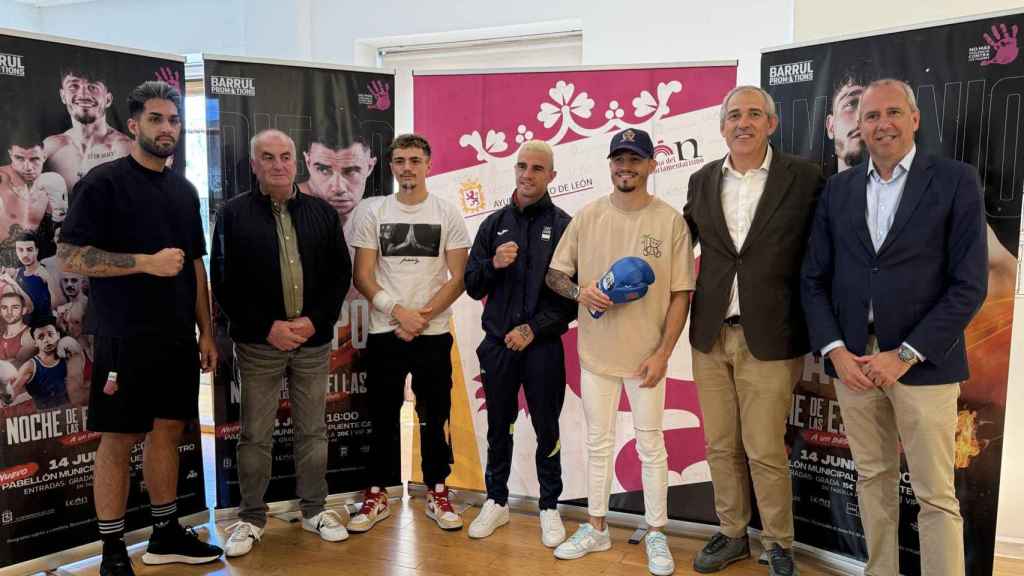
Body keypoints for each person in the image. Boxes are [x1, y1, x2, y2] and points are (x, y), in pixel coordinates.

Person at [802, 79, 988, 576]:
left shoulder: (955, 180)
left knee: (935, 495)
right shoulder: (838, 190)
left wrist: (903, 354)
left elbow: (968, 286)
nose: (882, 124)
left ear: (914, 118)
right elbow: (814, 279)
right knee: (873, 479)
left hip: (924, 366)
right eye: (871, 116)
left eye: (893, 113)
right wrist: (837, 353)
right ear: (858, 127)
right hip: (854, 365)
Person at [58, 80, 222, 576]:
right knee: (119, 437)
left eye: (173, 120)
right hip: (123, 336)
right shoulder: (102, 183)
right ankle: (111, 550)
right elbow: (71, 255)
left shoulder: (183, 189)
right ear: (133, 125)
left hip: (175, 337)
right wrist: (143, 263)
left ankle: (165, 533)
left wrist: (206, 332)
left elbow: (195, 265)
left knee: (168, 431)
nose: (166, 127)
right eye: (156, 118)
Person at [683, 85, 823, 575]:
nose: (743, 122)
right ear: (721, 126)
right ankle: (732, 533)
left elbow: (822, 255)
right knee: (720, 445)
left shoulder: (805, 178)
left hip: (772, 336)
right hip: (710, 336)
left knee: (764, 448)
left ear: (772, 123)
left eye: (754, 114)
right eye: (734, 115)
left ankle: (779, 543)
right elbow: (683, 251)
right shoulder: (701, 181)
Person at [545, 128, 694, 576]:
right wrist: (580, 292)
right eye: (619, 159)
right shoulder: (588, 216)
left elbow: (681, 293)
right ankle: (596, 527)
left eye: (635, 159)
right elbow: (555, 276)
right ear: (610, 164)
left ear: (652, 165)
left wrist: (664, 353)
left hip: (647, 357)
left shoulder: (669, 221)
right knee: (597, 444)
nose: (625, 167)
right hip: (597, 356)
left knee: (652, 446)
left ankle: (656, 533)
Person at [211, 129, 351, 557]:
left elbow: (338, 275)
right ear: (253, 164)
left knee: (313, 430)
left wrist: (314, 321)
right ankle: (251, 517)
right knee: (255, 435)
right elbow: (223, 282)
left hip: (311, 342)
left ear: (297, 162)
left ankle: (314, 510)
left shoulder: (322, 214)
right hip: (258, 343)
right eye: (267, 157)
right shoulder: (232, 215)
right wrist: (266, 326)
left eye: (285, 156)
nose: (277, 164)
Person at [348, 133, 470, 533]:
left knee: (435, 415)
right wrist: (398, 313)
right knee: (381, 415)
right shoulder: (375, 213)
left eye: (415, 160)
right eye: (400, 161)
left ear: (429, 165)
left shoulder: (447, 213)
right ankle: (378, 492)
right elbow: (362, 275)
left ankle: (437, 490)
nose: (407, 168)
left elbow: (460, 277)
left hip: (432, 333)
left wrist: (423, 315)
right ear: (391, 166)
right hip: (386, 332)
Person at [463, 140, 575, 546]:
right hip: (497, 346)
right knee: (498, 426)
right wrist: (493, 263)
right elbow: (472, 285)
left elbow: (571, 297)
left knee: (547, 427)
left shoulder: (564, 226)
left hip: (541, 347)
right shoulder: (493, 225)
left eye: (537, 168)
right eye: (522, 166)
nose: (527, 174)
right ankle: (496, 501)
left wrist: (534, 329)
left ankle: (549, 506)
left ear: (551, 176)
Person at [44, 68, 132, 191]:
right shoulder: (51, 148)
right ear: (63, 96)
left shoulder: (124, 149)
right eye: (74, 86)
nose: (83, 95)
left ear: (108, 99)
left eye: (93, 87)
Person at [298, 130, 377, 243]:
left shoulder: (381, 216)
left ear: (370, 167)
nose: (338, 188)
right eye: (323, 170)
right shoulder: (286, 211)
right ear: (307, 162)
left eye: (351, 171)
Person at [10, 314, 84, 409]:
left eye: (50, 334)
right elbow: (10, 395)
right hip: (46, 419)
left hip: (71, 415)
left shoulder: (68, 357)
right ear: (35, 342)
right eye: (41, 337)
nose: (47, 340)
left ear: (58, 335)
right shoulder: (30, 366)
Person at [14, 231, 57, 323]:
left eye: (29, 249)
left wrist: (49, 279)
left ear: (36, 250)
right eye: (20, 250)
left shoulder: (46, 272)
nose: (25, 255)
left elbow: (55, 304)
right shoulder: (17, 273)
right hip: (23, 327)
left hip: (43, 328)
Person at [0, 280, 36, 366]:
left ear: (23, 310)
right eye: (4, 307)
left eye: (15, 307)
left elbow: (16, 365)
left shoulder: (29, 335)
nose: (9, 312)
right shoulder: (2, 333)